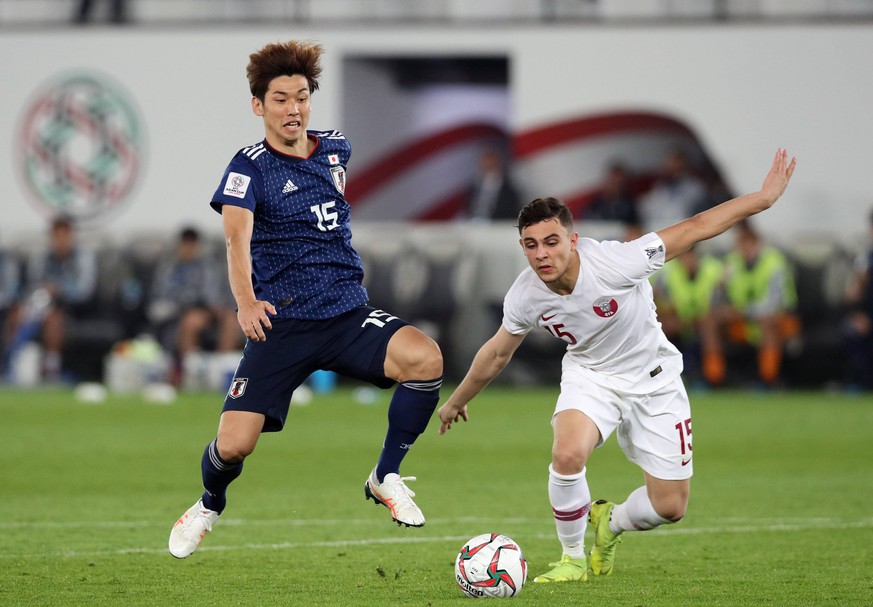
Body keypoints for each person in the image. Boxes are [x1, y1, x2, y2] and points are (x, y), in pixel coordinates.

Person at [438, 149, 796, 583]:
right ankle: (571, 559)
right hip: (591, 377)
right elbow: (497, 352)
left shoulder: (617, 262)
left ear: (572, 239)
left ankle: (612, 523)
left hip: (655, 381)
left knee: (670, 507)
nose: (542, 255)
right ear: (523, 248)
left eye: (551, 242)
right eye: (531, 245)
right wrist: (456, 400)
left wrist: (762, 199)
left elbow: (696, 228)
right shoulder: (525, 295)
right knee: (567, 453)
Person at [168, 40, 443, 559]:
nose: (293, 108)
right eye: (280, 99)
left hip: (345, 314)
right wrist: (247, 302)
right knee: (233, 446)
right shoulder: (247, 167)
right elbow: (236, 240)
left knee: (425, 358)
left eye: (302, 97)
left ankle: (385, 475)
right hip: (282, 324)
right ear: (258, 106)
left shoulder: (337, 148)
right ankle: (208, 503)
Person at [4, 217, 97, 382]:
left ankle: (51, 370)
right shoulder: (41, 259)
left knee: (53, 317)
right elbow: (31, 286)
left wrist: (59, 291)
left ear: (71, 237)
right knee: (16, 313)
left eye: (64, 236)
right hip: (40, 306)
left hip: (72, 309)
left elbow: (85, 291)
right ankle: (11, 364)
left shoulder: (83, 258)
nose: (60, 241)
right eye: (57, 236)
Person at [147, 227, 240, 383]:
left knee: (232, 320)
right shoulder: (170, 268)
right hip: (181, 312)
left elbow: (214, 292)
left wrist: (217, 306)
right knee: (191, 322)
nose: (189, 249)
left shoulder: (207, 265)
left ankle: (221, 371)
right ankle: (192, 373)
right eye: (186, 245)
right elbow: (163, 295)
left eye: (193, 245)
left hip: (210, 309)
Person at [722, 220, 799, 387]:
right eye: (741, 244)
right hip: (743, 319)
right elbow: (724, 295)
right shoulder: (731, 263)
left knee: (767, 321)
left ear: (758, 243)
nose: (744, 249)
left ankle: (768, 379)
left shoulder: (774, 262)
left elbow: (776, 302)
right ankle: (715, 378)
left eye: (748, 244)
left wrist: (745, 312)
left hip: (779, 317)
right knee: (711, 320)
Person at [651, 246, 726, 387]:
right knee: (657, 328)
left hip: (704, 317)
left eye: (690, 257)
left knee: (709, 326)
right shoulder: (668, 273)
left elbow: (722, 300)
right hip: (679, 319)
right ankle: (659, 376)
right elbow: (656, 300)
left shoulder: (712, 270)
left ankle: (714, 379)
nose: (688, 261)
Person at [637, 149, 708, 233]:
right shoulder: (660, 186)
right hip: (658, 227)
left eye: (675, 163)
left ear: (683, 164)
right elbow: (648, 207)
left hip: (685, 228)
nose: (671, 167)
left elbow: (695, 210)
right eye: (669, 163)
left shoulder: (695, 186)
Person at [843, 208, 873, 390]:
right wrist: (858, 315)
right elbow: (852, 295)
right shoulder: (865, 259)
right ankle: (864, 381)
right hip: (868, 316)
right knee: (851, 330)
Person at [580, 161, 642, 240]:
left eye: (620, 183)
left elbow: (636, 229)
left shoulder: (632, 206)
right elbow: (587, 229)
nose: (616, 186)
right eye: (613, 181)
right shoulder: (593, 207)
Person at [465, 147, 523, 221]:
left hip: (497, 226)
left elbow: (510, 211)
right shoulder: (474, 188)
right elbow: (469, 208)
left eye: (491, 163)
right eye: (486, 163)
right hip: (475, 224)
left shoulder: (509, 190)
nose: (488, 166)